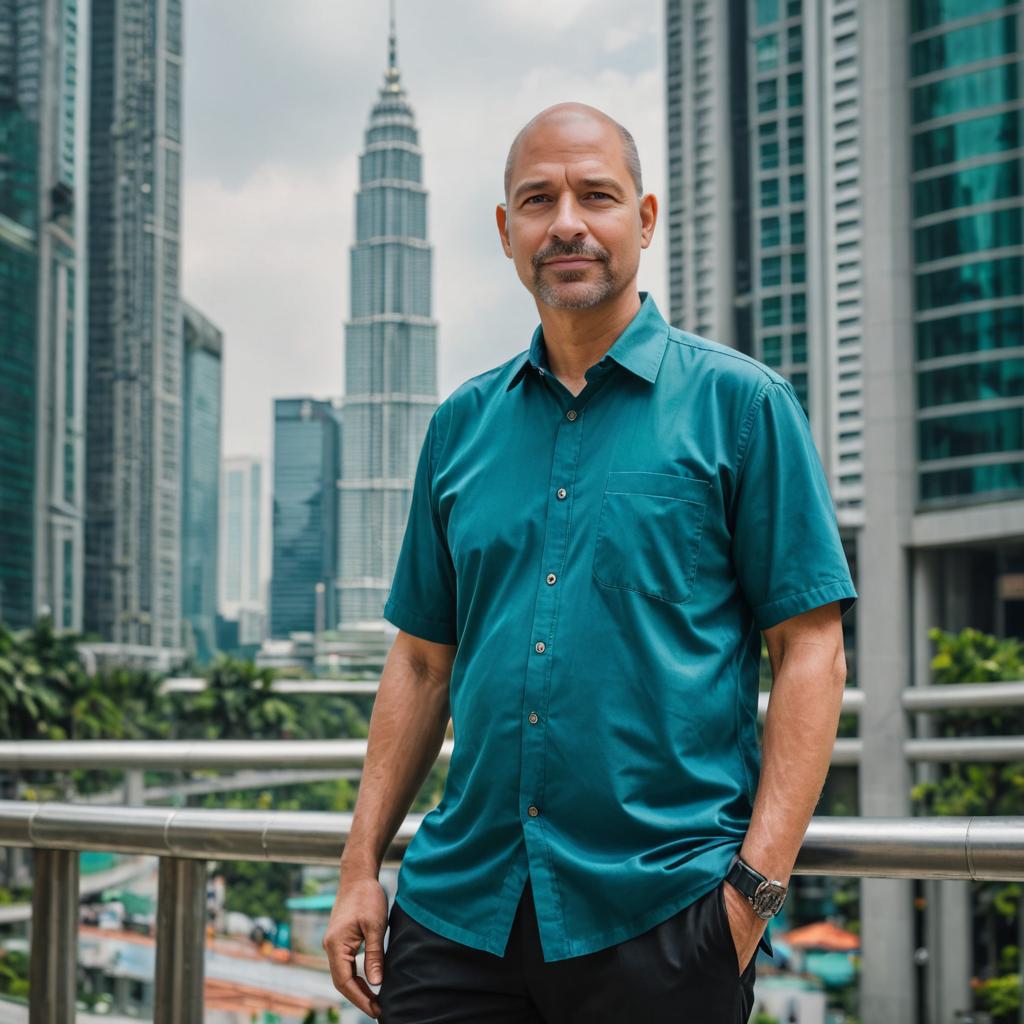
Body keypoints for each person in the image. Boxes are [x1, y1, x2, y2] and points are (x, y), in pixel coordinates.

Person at [323, 101, 857, 1023]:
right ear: (506, 231)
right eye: (538, 199)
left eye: (595, 195)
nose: (566, 221)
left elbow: (811, 651)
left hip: (662, 917)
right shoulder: (461, 426)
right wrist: (359, 869)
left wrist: (751, 900)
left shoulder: (744, 406)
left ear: (643, 219)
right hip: (459, 919)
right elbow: (419, 660)